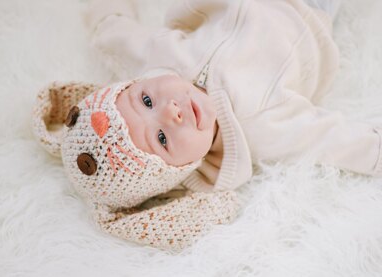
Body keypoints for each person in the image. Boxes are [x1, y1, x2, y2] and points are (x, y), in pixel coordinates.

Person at [32, 0, 381, 252]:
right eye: (162, 138)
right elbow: (335, 140)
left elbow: (112, 30)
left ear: (131, 85)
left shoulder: (154, 60)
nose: (171, 112)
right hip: (308, 12)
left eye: (147, 101)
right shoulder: (262, 128)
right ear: (179, 170)